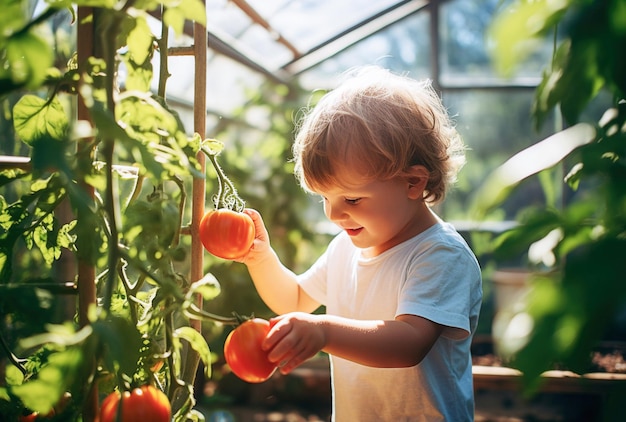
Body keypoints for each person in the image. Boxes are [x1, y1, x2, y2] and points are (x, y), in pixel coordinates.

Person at [237, 65, 482, 421]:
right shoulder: (344, 247)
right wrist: (260, 259)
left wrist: (324, 331)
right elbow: (294, 299)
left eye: (351, 200)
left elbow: (409, 342)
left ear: (413, 183)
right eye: (324, 198)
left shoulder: (440, 255)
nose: (334, 215)